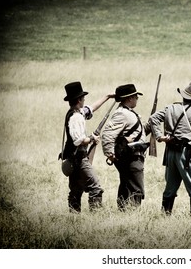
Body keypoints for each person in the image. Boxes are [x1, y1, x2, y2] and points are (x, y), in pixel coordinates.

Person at [149, 82, 191, 217]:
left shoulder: (171, 107)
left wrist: (160, 136)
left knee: (170, 188)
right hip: (187, 154)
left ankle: (165, 216)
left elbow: (153, 118)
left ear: (183, 96)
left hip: (170, 153)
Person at [61, 81, 114, 213]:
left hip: (74, 158)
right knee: (95, 187)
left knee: (76, 190)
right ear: (79, 99)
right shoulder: (76, 117)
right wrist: (92, 138)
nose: (84, 99)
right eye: (83, 97)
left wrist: (107, 97)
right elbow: (79, 140)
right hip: (78, 159)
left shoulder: (75, 112)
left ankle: (74, 217)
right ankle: (95, 218)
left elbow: (91, 108)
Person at [102, 84, 147, 211]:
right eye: (136, 96)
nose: (137, 98)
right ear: (129, 98)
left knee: (127, 184)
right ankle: (132, 213)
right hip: (130, 156)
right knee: (136, 187)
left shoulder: (128, 113)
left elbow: (135, 132)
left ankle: (124, 212)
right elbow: (107, 134)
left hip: (133, 155)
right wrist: (110, 153)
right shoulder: (122, 113)